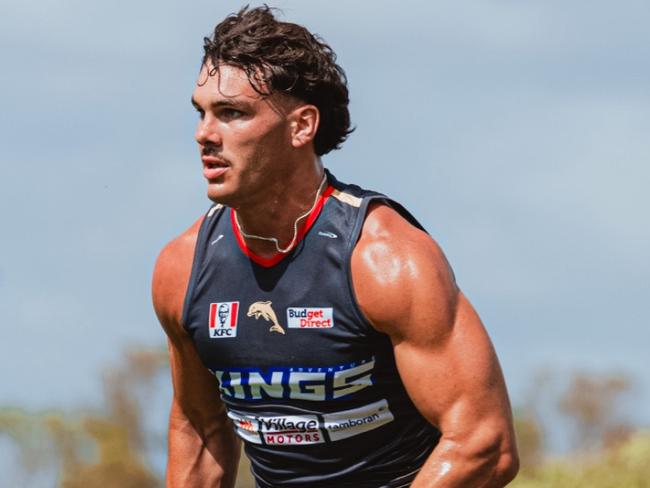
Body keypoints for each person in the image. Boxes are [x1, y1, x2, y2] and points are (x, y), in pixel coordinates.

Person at [152, 5, 519, 488]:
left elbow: (483, 444)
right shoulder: (182, 268)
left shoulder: (385, 258)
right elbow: (199, 429)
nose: (205, 134)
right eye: (201, 113)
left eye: (232, 113)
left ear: (301, 126)